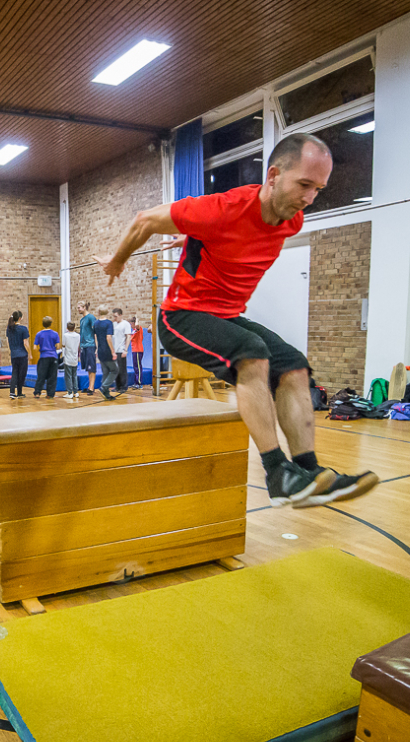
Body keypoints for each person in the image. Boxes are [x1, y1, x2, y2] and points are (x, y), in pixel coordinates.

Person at [93, 133, 376, 508]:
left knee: (294, 365)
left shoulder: (291, 221)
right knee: (251, 352)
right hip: (181, 317)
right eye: (304, 185)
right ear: (273, 176)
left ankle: (309, 472)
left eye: (318, 190)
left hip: (225, 315)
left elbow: (230, 241)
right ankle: (277, 472)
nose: (309, 198)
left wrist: (194, 240)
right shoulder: (222, 208)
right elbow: (144, 220)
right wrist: (117, 261)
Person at [33, 316, 61, 399]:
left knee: (41, 376)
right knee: (52, 376)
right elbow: (58, 346)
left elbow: (35, 347)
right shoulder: (55, 334)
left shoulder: (39, 334)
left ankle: (37, 392)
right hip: (53, 356)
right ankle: (50, 394)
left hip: (44, 356)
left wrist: (41, 349)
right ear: (50, 324)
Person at [94, 305, 118, 400]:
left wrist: (97, 348)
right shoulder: (108, 323)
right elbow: (108, 337)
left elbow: (95, 336)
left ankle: (106, 393)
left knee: (105, 371)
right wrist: (113, 351)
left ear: (99, 312)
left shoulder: (96, 323)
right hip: (107, 350)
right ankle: (104, 387)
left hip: (100, 349)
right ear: (107, 312)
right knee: (114, 370)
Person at [6, 311, 30, 399]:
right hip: (22, 354)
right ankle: (19, 392)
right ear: (20, 318)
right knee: (22, 374)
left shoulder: (9, 329)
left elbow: (8, 342)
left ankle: (12, 392)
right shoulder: (23, 329)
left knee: (15, 372)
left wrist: (11, 351)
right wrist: (29, 353)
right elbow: (25, 343)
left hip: (14, 354)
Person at [78, 302, 97, 395]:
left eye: (79, 307)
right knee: (87, 367)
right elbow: (81, 333)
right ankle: (90, 386)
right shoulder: (82, 320)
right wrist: (79, 346)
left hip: (90, 345)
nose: (78, 309)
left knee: (91, 366)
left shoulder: (91, 317)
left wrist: (97, 346)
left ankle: (92, 387)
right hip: (83, 345)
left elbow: (95, 332)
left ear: (84, 307)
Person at [110, 308, 132, 393]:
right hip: (115, 350)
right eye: (113, 316)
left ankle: (123, 386)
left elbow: (128, 337)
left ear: (120, 315)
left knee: (122, 369)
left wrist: (125, 350)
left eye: (116, 316)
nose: (115, 318)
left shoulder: (125, 324)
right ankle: (117, 386)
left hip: (121, 349)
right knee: (115, 369)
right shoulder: (114, 324)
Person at [63, 321, 81, 399]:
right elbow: (78, 345)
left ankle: (70, 392)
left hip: (68, 358)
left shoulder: (65, 335)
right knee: (74, 375)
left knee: (68, 376)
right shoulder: (78, 335)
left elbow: (63, 344)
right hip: (75, 357)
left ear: (67, 328)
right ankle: (76, 392)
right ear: (74, 327)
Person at [130, 316, 145, 386]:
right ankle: (136, 382)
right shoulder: (133, 331)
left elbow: (137, 325)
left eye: (131, 324)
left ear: (134, 323)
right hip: (134, 351)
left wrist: (137, 319)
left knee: (138, 367)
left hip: (138, 350)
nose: (130, 325)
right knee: (135, 367)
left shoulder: (139, 328)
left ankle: (139, 383)